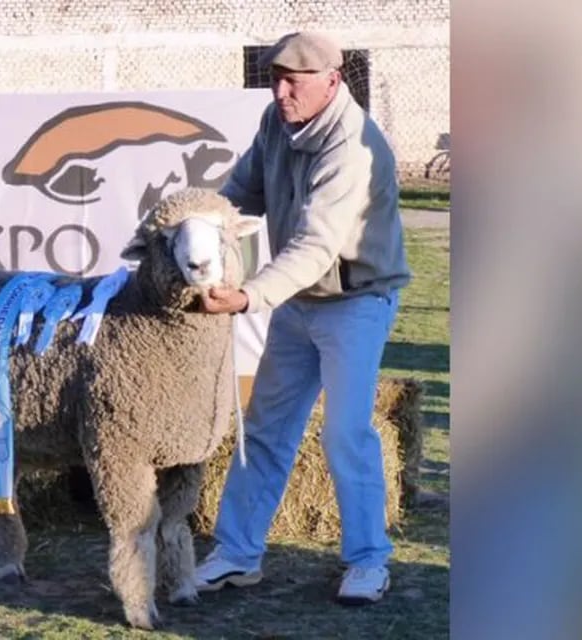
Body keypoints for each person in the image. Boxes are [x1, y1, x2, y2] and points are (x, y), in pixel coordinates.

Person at [195, 31, 412, 605]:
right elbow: (239, 193)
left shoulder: (353, 146)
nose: (282, 92)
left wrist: (249, 297)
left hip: (355, 303)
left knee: (345, 433)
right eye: (274, 79)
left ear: (333, 81)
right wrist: (192, 227)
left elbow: (317, 246)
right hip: (298, 303)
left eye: (294, 82)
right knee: (265, 427)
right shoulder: (275, 123)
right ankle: (237, 555)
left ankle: (368, 562)